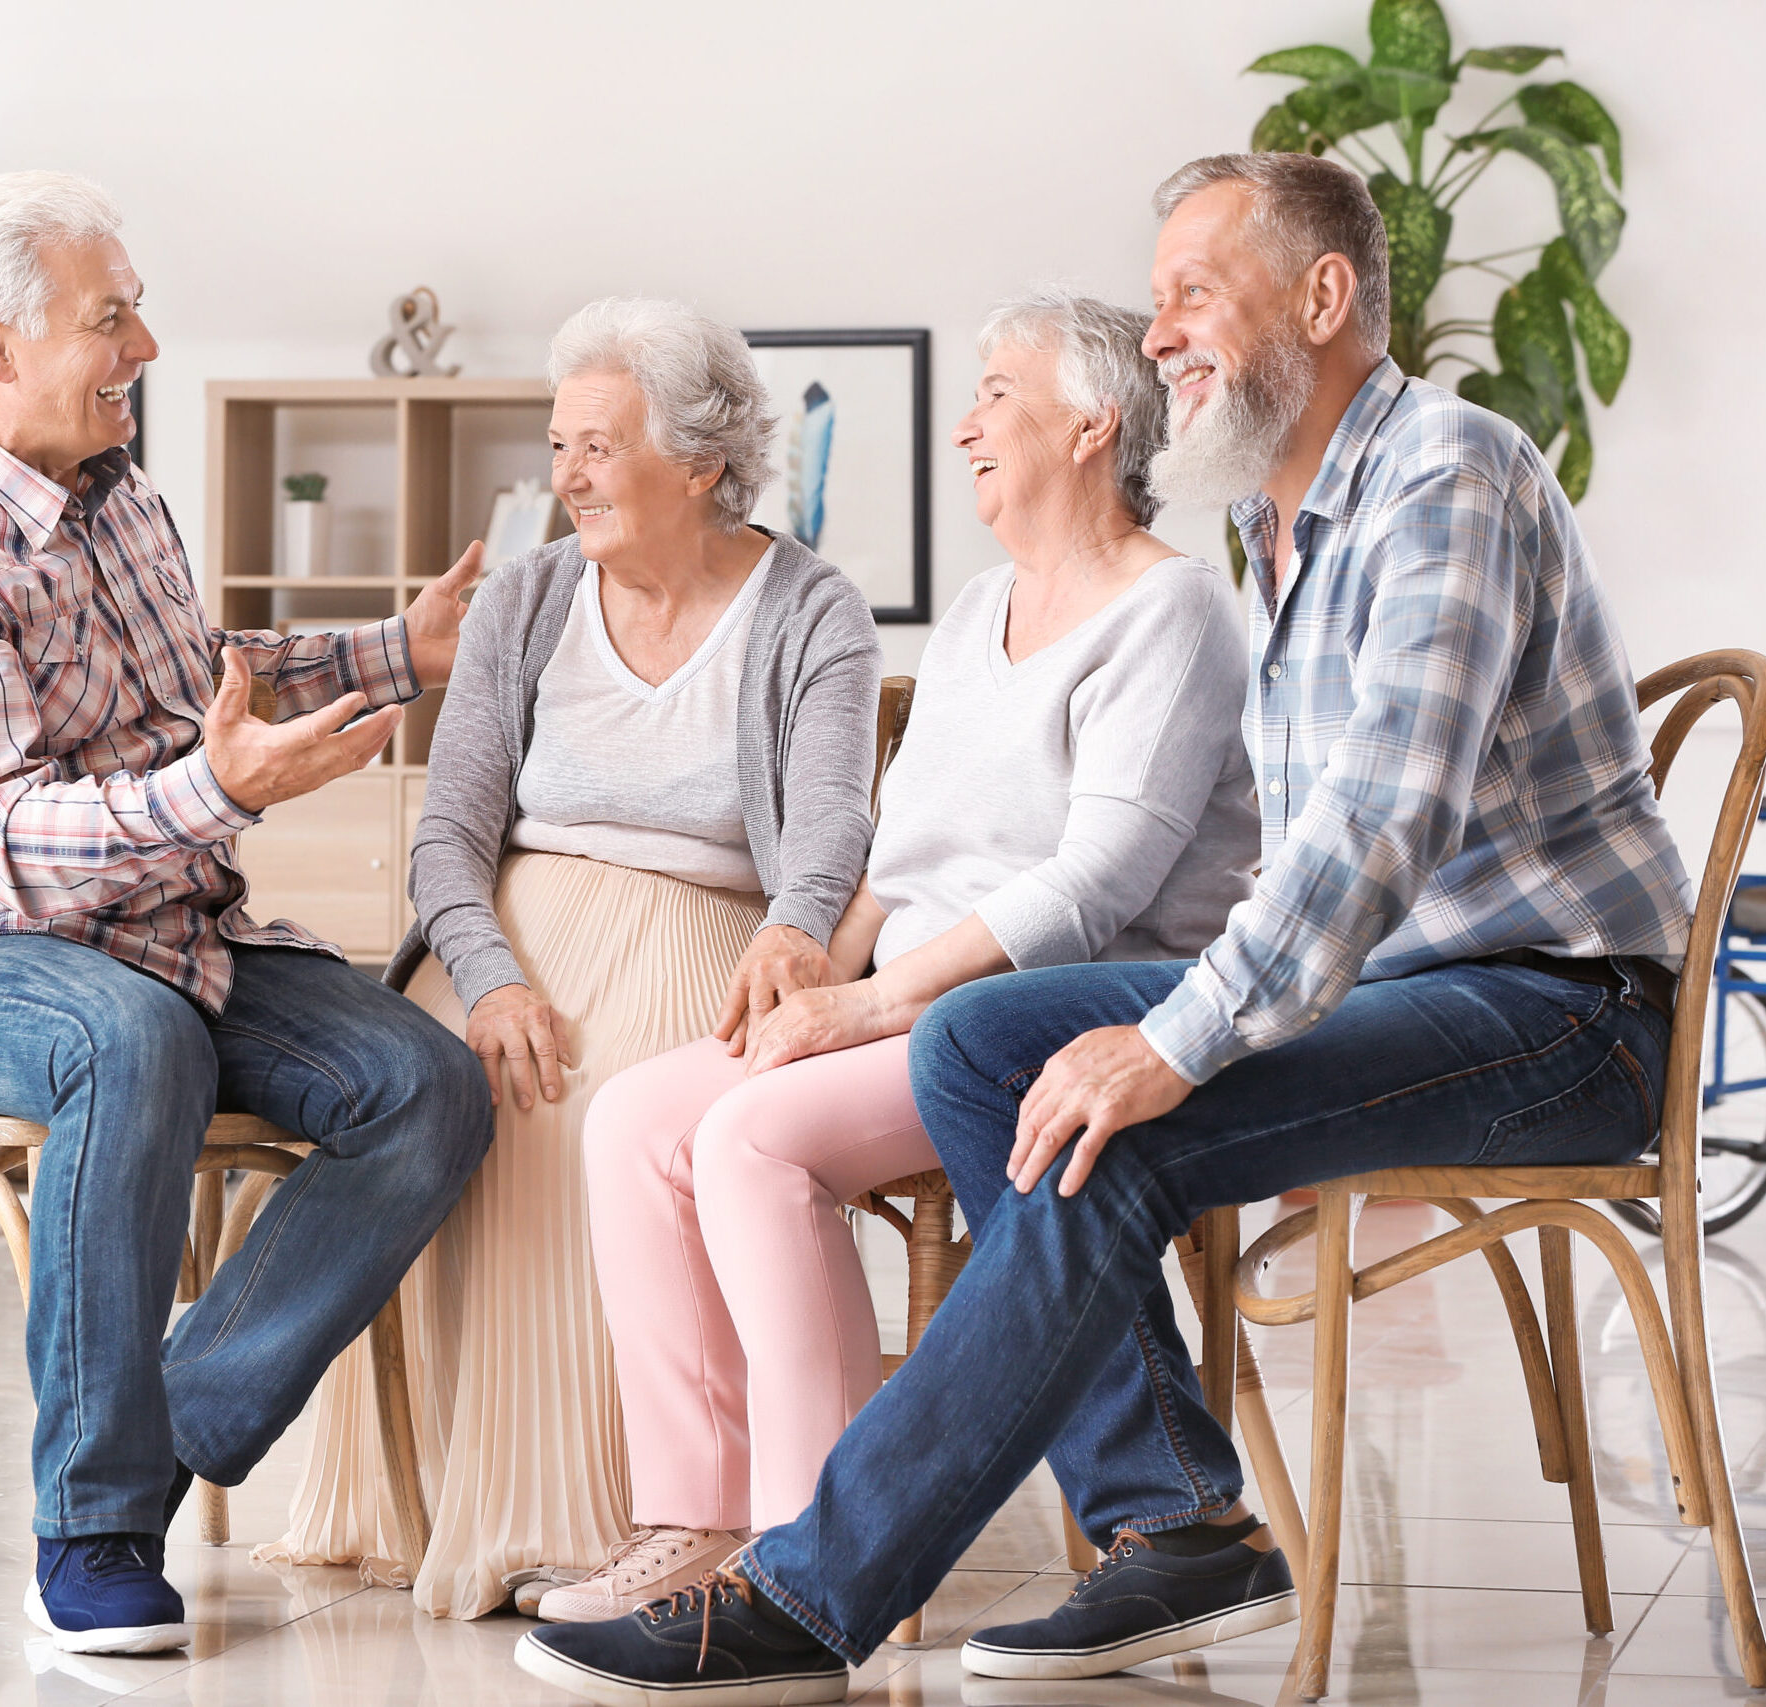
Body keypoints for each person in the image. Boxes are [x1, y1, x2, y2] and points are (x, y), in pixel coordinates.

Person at [518, 150, 1689, 1704]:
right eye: (1154, 307)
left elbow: (1371, 835)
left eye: (1193, 293)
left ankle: (815, 1587)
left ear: (1323, 298)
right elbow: (1302, 864)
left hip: (1553, 1012)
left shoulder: (1443, 479)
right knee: (991, 1041)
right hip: (1409, 986)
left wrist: (1171, 1038)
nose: (1162, 339)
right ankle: (1178, 1525)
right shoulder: (1276, 528)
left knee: (1102, 1108)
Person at [0, 170, 495, 1658]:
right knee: (131, 1045)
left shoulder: (120, 500)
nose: (148, 350)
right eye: (111, 319)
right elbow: (2, 844)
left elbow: (208, 686)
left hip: (175, 941)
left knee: (426, 1083)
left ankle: (170, 1414)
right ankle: (96, 1518)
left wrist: (398, 649)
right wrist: (224, 796)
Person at [545, 289, 1258, 1624]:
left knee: (753, 1139)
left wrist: (875, 1001)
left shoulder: (1171, 614)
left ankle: (800, 1551)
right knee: (637, 1116)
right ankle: (690, 1516)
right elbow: (900, 840)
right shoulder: (988, 599)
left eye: (998, 392)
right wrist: (822, 961)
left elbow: (1100, 881)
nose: (967, 424)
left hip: (1042, 1021)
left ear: (1093, 425)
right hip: (906, 999)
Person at [261, 297, 882, 1619]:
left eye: (598, 446)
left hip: (708, 927)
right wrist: (487, 978)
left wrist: (792, 924)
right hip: (508, 938)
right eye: (561, 446)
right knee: (438, 1092)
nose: (569, 475)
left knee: (608, 1112)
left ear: (703, 459)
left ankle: (648, 1514)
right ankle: (447, 1502)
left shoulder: (809, 607)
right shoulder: (531, 596)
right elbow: (448, 840)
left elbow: (830, 825)